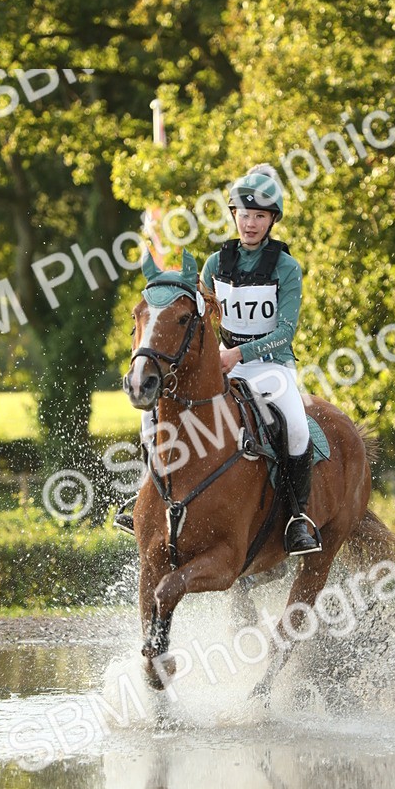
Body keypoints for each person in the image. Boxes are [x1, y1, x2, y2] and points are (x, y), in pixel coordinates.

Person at [116, 164, 321, 556]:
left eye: (259, 216)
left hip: (271, 367)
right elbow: (199, 322)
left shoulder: (287, 268)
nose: (250, 223)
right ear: (234, 216)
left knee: (295, 425)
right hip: (223, 363)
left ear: (271, 220)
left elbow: (285, 332)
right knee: (151, 415)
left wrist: (239, 353)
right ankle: (146, 497)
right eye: (244, 215)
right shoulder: (214, 264)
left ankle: (298, 518)